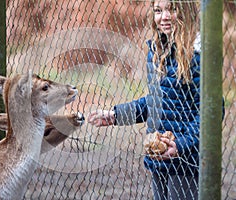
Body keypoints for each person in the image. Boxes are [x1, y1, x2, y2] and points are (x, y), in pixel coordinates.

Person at [88, 1, 209, 199]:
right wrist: (116, 115)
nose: (165, 17)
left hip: (186, 162)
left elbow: (210, 111)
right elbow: (155, 103)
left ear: (186, 11)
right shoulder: (157, 52)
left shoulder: (198, 55)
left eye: (173, 9)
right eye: (158, 11)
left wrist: (181, 145)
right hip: (159, 157)